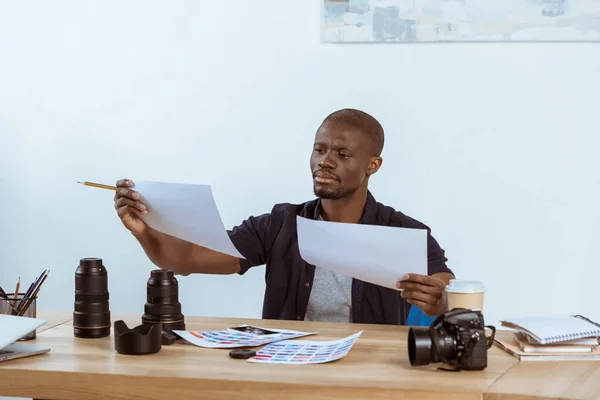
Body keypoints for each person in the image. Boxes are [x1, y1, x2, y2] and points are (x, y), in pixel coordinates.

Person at [113, 108, 455, 325]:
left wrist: (438, 300)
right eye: (320, 150)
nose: (325, 161)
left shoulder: (404, 232)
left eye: (342, 153)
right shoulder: (279, 225)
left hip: (369, 375)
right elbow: (185, 260)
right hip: (287, 370)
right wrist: (143, 230)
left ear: (372, 165)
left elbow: (451, 297)